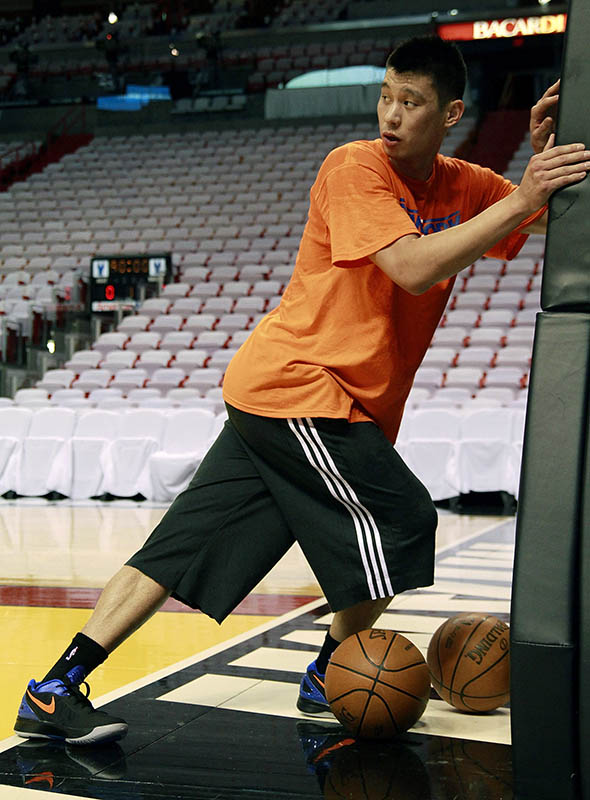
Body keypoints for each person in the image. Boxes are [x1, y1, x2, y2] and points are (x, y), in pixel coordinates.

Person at [14, 35, 589, 746]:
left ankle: (53, 690)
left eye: (411, 102)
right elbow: (412, 268)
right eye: (385, 95)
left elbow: (528, 216)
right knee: (405, 518)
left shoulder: (463, 183)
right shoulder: (354, 166)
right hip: (305, 388)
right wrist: (524, 194)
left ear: (450, 113)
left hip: (288, 398)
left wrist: (535, 169)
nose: (391, 113)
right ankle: (328, 674)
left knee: (175, 549)